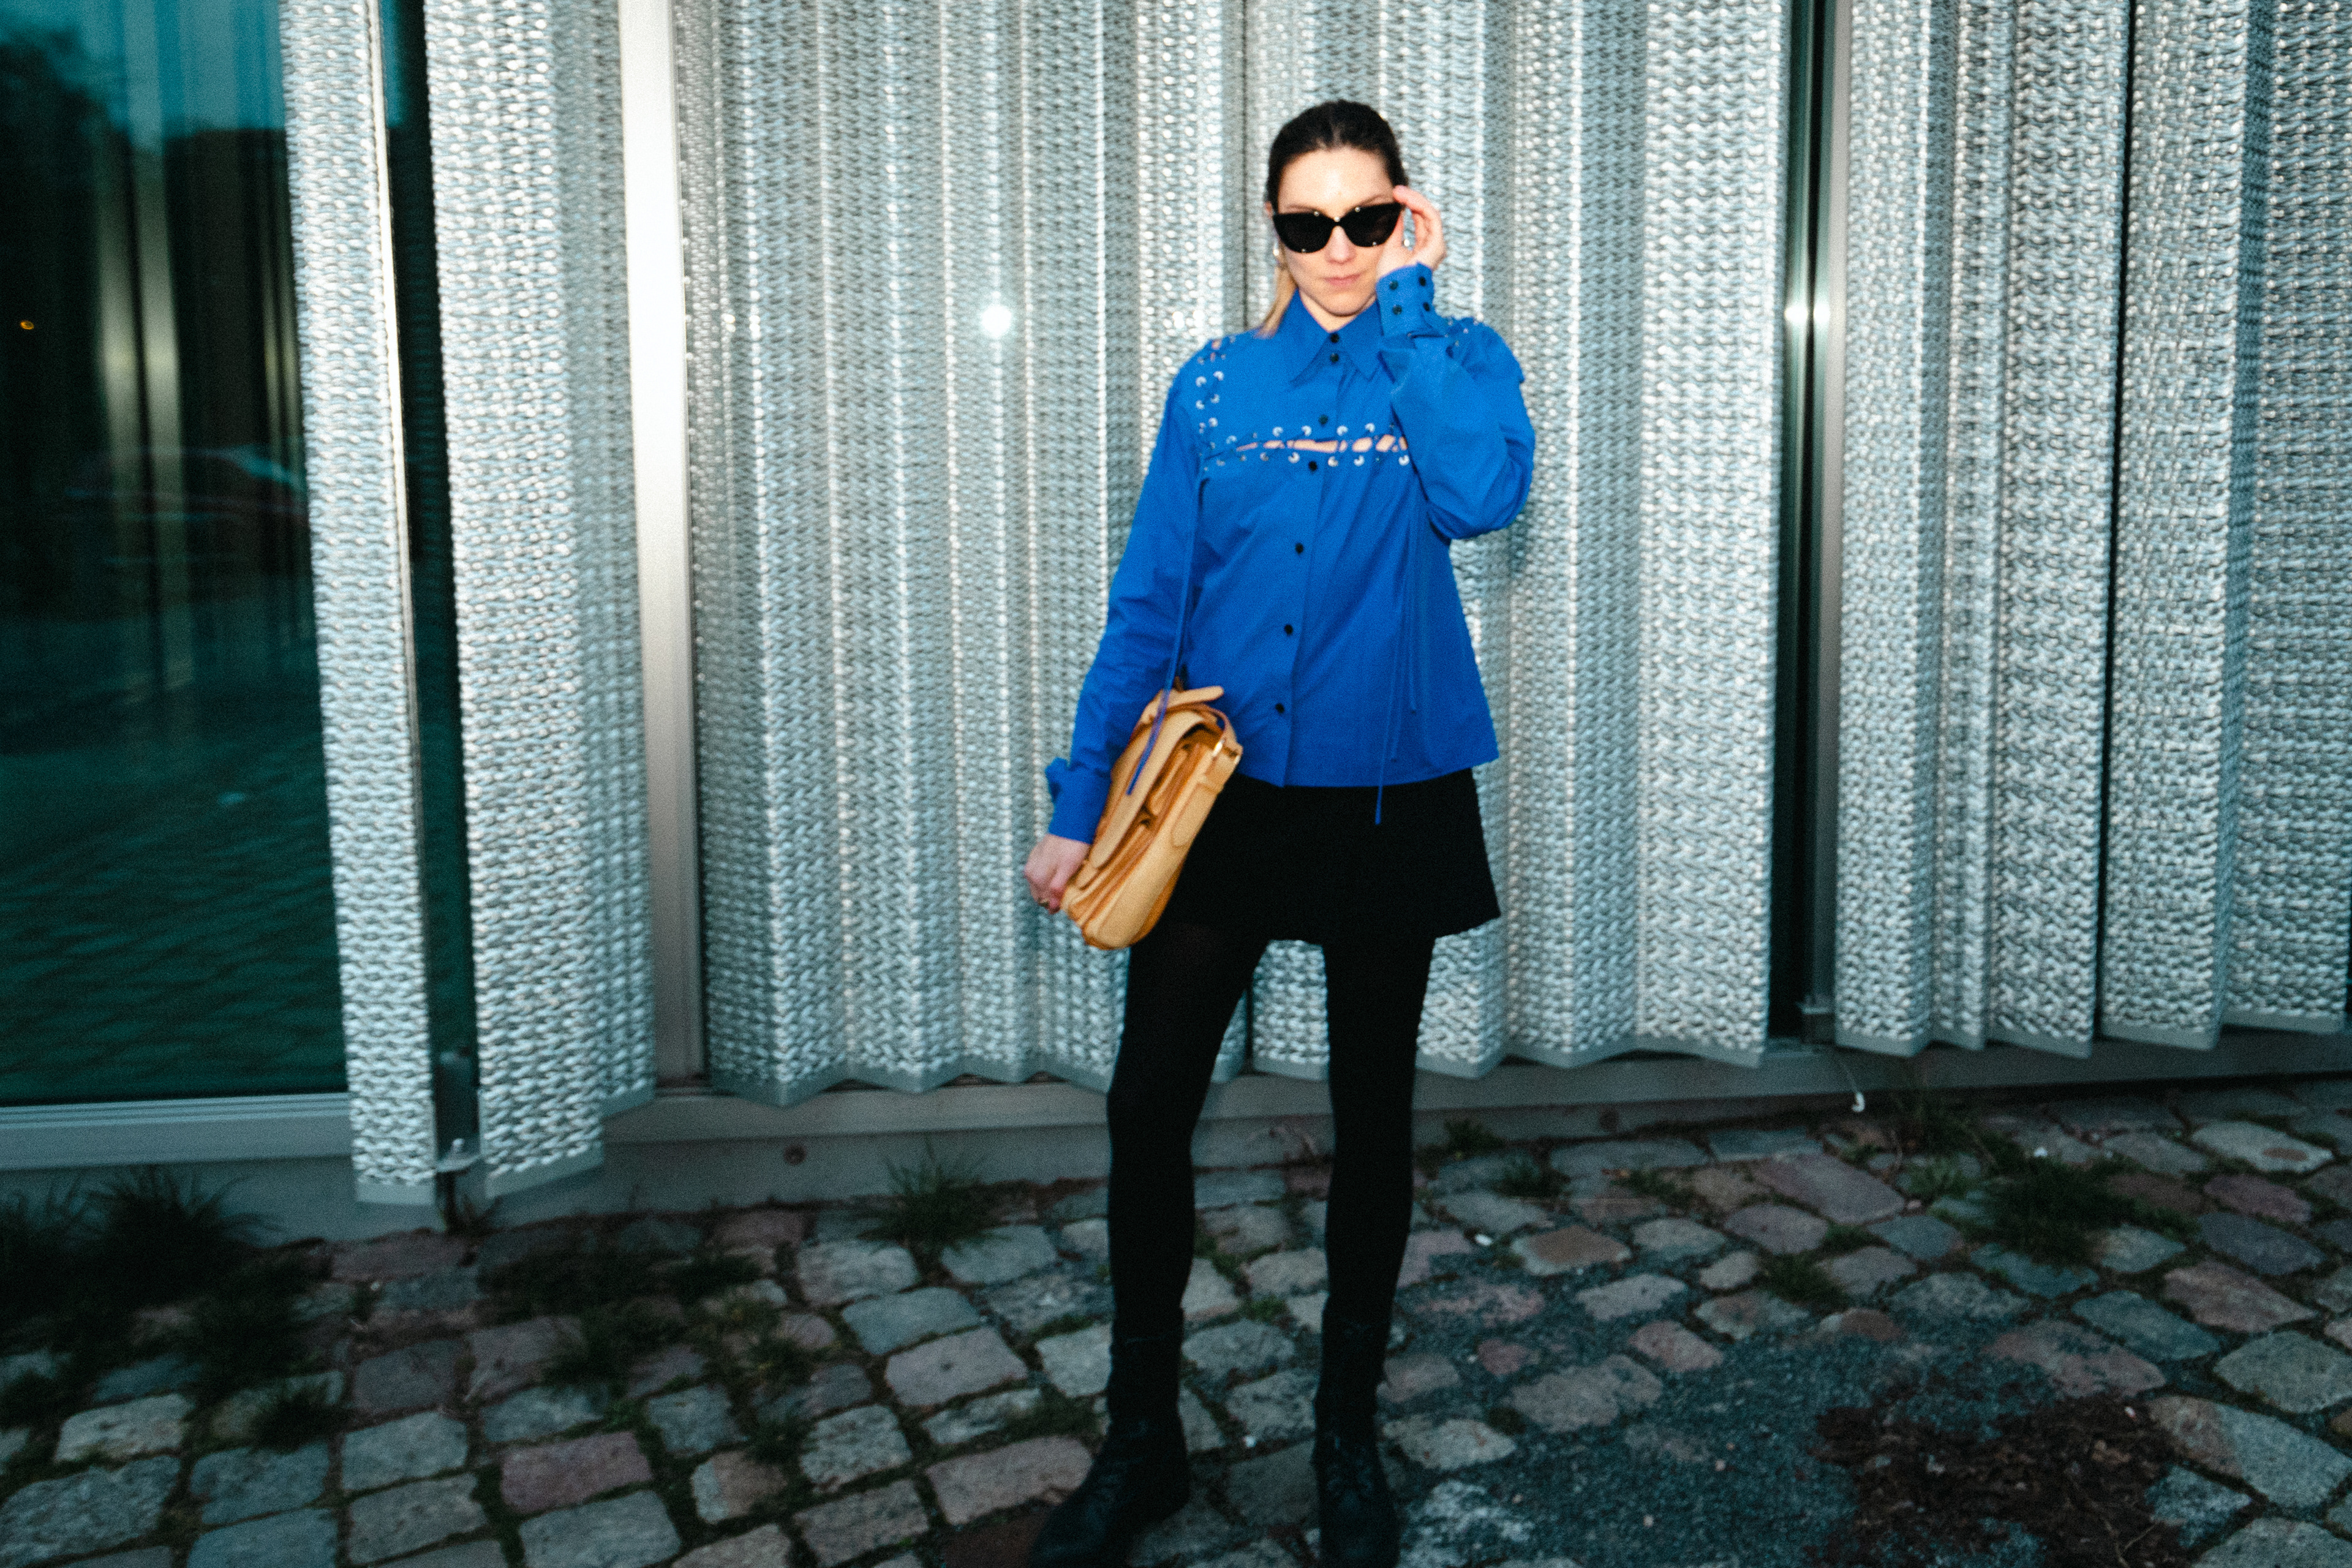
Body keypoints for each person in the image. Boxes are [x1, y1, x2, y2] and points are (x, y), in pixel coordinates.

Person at [1020, 99, 1534, 1568]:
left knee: (1372, 1120)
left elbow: (1483, 496)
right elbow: (1149, 605)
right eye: (1309, 224)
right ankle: (1142, 1440)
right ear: (1274, 227)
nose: (1338, 249)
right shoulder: (1216, 387)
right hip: (1221, 798)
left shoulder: (1454, 359)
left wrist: (1414, 306)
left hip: (1389, 796)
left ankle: (1345, 1441)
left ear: (1405, 214)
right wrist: (1078, 803)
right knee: (1146, 1104)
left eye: (1367, 219)